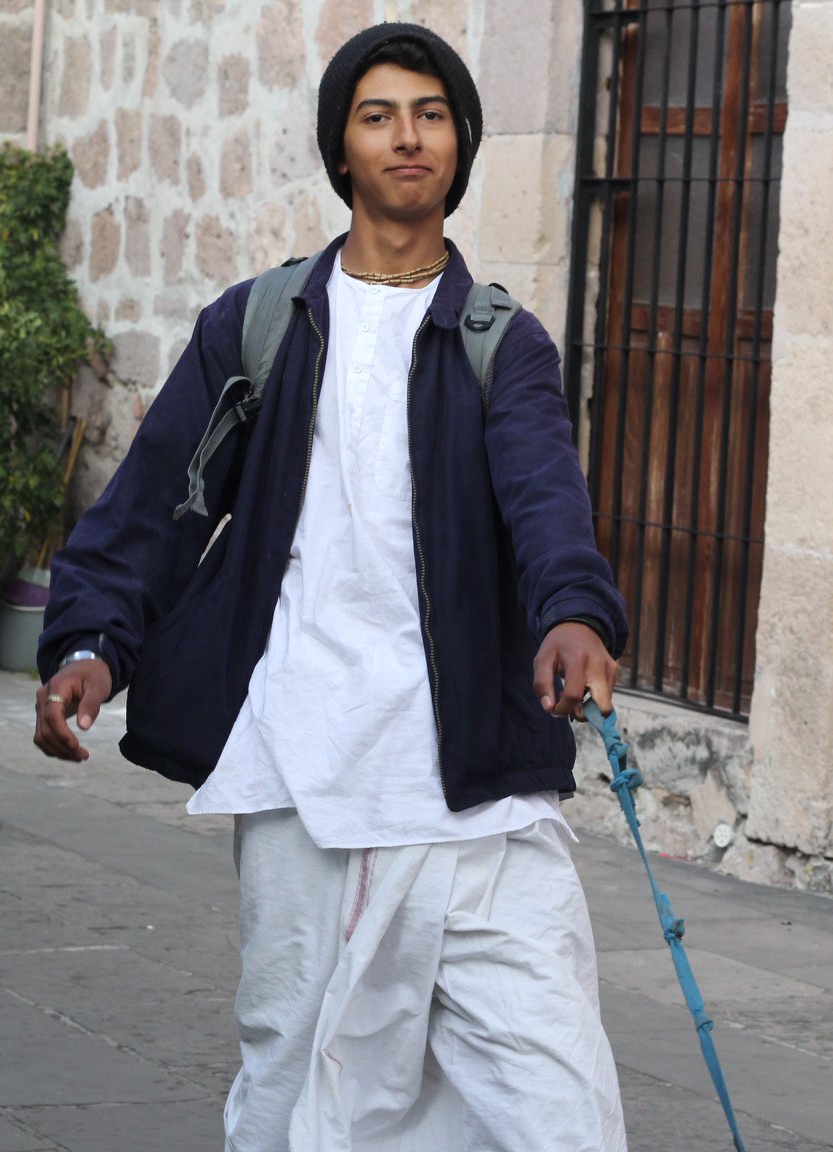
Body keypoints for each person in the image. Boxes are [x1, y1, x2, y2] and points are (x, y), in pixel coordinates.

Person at [31, 22, 630, 1152]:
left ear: (459, 145)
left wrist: (574, 614)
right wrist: (92, 644)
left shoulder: (503, 345)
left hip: (477, 787)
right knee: (293, 1082)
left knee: (558, 1102)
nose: (408, 137)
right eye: (377, 115)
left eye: (431, 115)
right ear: (340, 148)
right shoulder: (258, 324)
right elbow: (157, 502)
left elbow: (547, 500)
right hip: (302, 766)